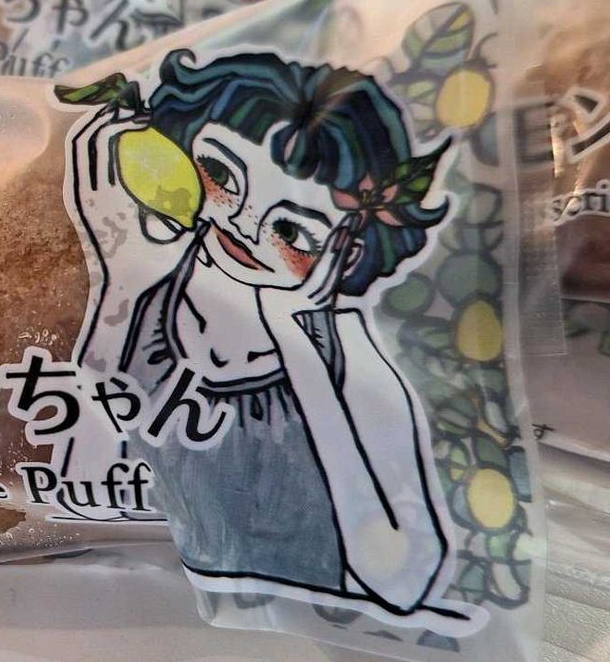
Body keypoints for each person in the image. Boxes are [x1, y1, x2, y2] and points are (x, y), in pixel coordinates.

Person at [63, 48, 486, 634]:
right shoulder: (151, 295)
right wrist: (107, 257)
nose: (239, 226)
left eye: (292, 232)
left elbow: (402, 583)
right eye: (220, 176)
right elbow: (84, 453)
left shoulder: (345, 349)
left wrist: (297, 345)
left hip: (301, 635)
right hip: (132, 611)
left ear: (348, 256)